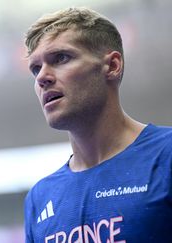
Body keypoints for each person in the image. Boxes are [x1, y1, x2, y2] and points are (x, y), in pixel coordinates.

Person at [23, 7, 172, 243]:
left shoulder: (166, 156)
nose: (42, 77)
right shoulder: (40, 198)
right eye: (35, 68)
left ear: (112, 66)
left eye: (61, 58)